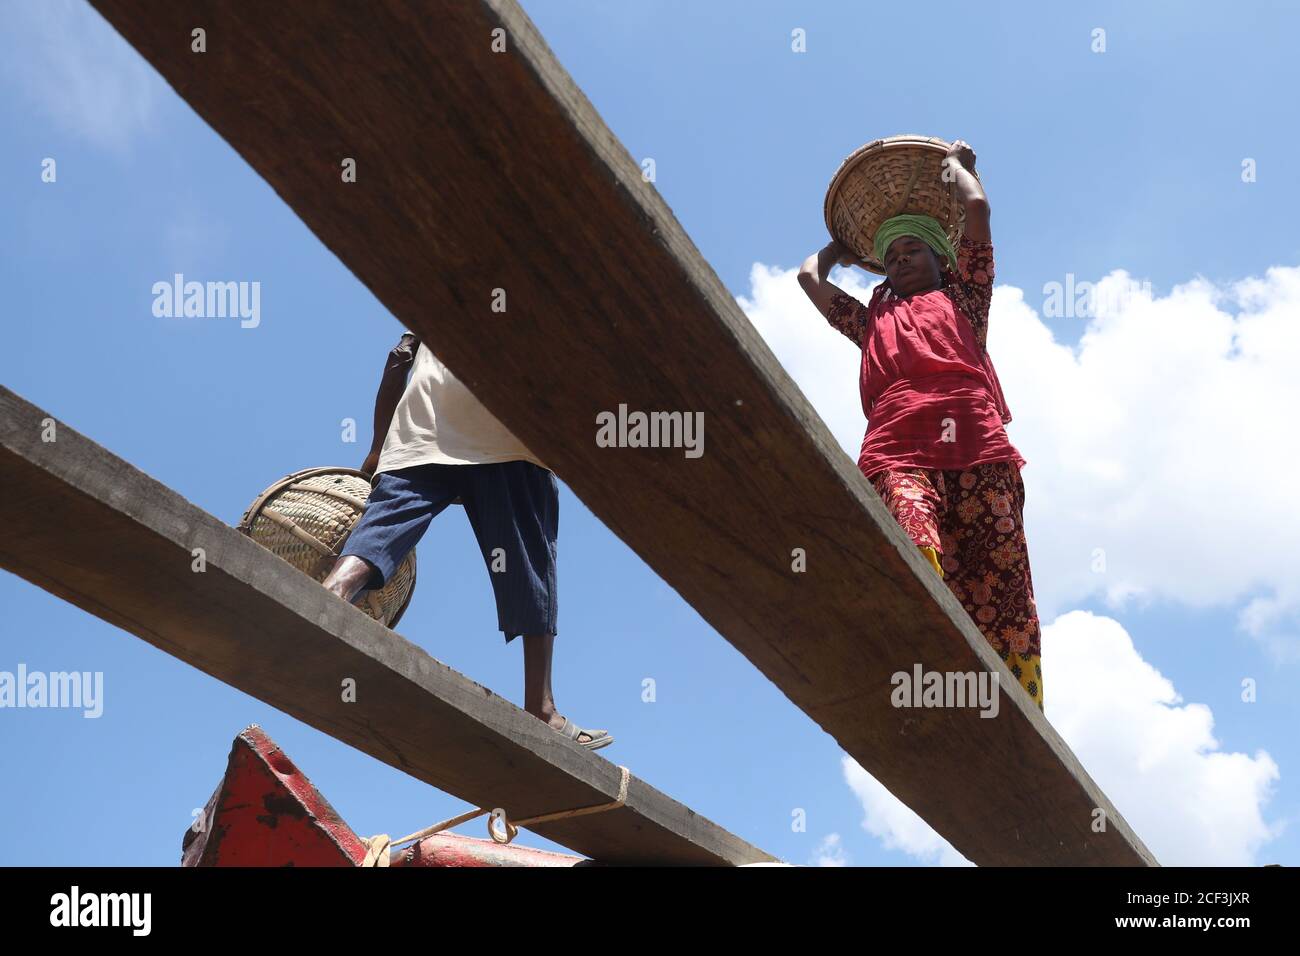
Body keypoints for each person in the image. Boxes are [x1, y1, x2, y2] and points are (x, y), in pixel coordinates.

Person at [796, 140, 1043, 711]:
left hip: (978, 446)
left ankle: (1009, 700)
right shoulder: (871, 319)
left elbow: (976, 212)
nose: (902, 257)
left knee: (997, 576)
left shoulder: (965, 297)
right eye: (893, 253)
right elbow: (810, 278)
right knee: (910, 544)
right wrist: (846, 248)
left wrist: (960, 169)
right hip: (897, 449)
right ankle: (919, 658)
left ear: (942, 259)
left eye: (914, 248)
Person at [321, 329, 613, 748]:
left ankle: (332, 593)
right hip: (504, 433)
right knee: (529, 560)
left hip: (422, 431)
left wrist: (376, 449)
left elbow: (399, 356)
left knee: (380, 529)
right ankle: (541, 709)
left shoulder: (437, 290)